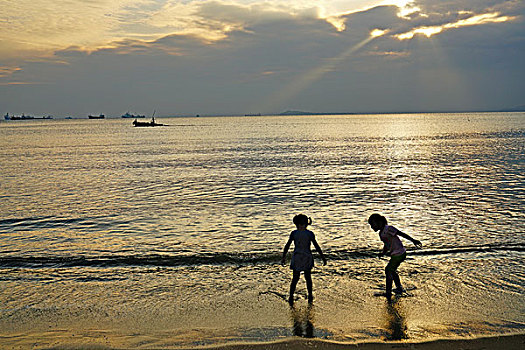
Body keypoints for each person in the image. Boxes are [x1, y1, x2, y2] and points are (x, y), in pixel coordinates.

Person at [368, 213, 422, 300]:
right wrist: (383, 253)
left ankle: (388, 292)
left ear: (380, 222)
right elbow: (386, 244)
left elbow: (401, 234)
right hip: (396, 255)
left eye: (372, 224)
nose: (371, 227)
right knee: (392, 271)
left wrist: (413, 240)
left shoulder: (388, 228)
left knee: (388, 270)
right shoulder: (381, 234)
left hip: (399, 254)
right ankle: (399, 287)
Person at [281, 214, 327, 305]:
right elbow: (287, 245)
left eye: (303, 224)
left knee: (301, 278)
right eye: (301, 224)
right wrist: (283, 256)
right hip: (303, 257)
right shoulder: (307, 233)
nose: (302, 225)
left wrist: (322, 257)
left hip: (301, 257)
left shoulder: (296, 233)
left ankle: (299, 295)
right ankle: (299, 295)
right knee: (301, 278)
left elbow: (316, 246)